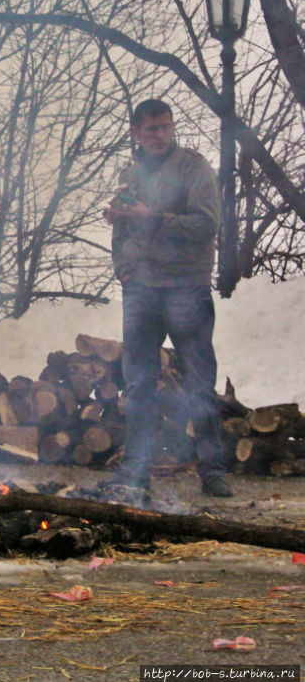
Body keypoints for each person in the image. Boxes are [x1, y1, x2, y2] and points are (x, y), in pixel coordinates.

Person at [105, 98, 231, 504]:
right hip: (140, 288)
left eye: (163, 127)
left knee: (199, 382)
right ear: (136, 133)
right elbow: (122, 229)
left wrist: (152, 216)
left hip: (186, 286)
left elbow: (207, 224)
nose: (158, 135)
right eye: (149, 129)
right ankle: (136, 472)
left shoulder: (194, 168)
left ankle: (213, 472)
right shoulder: (131, 173)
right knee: (139, 384)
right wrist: (123, 269)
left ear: (172, 127)